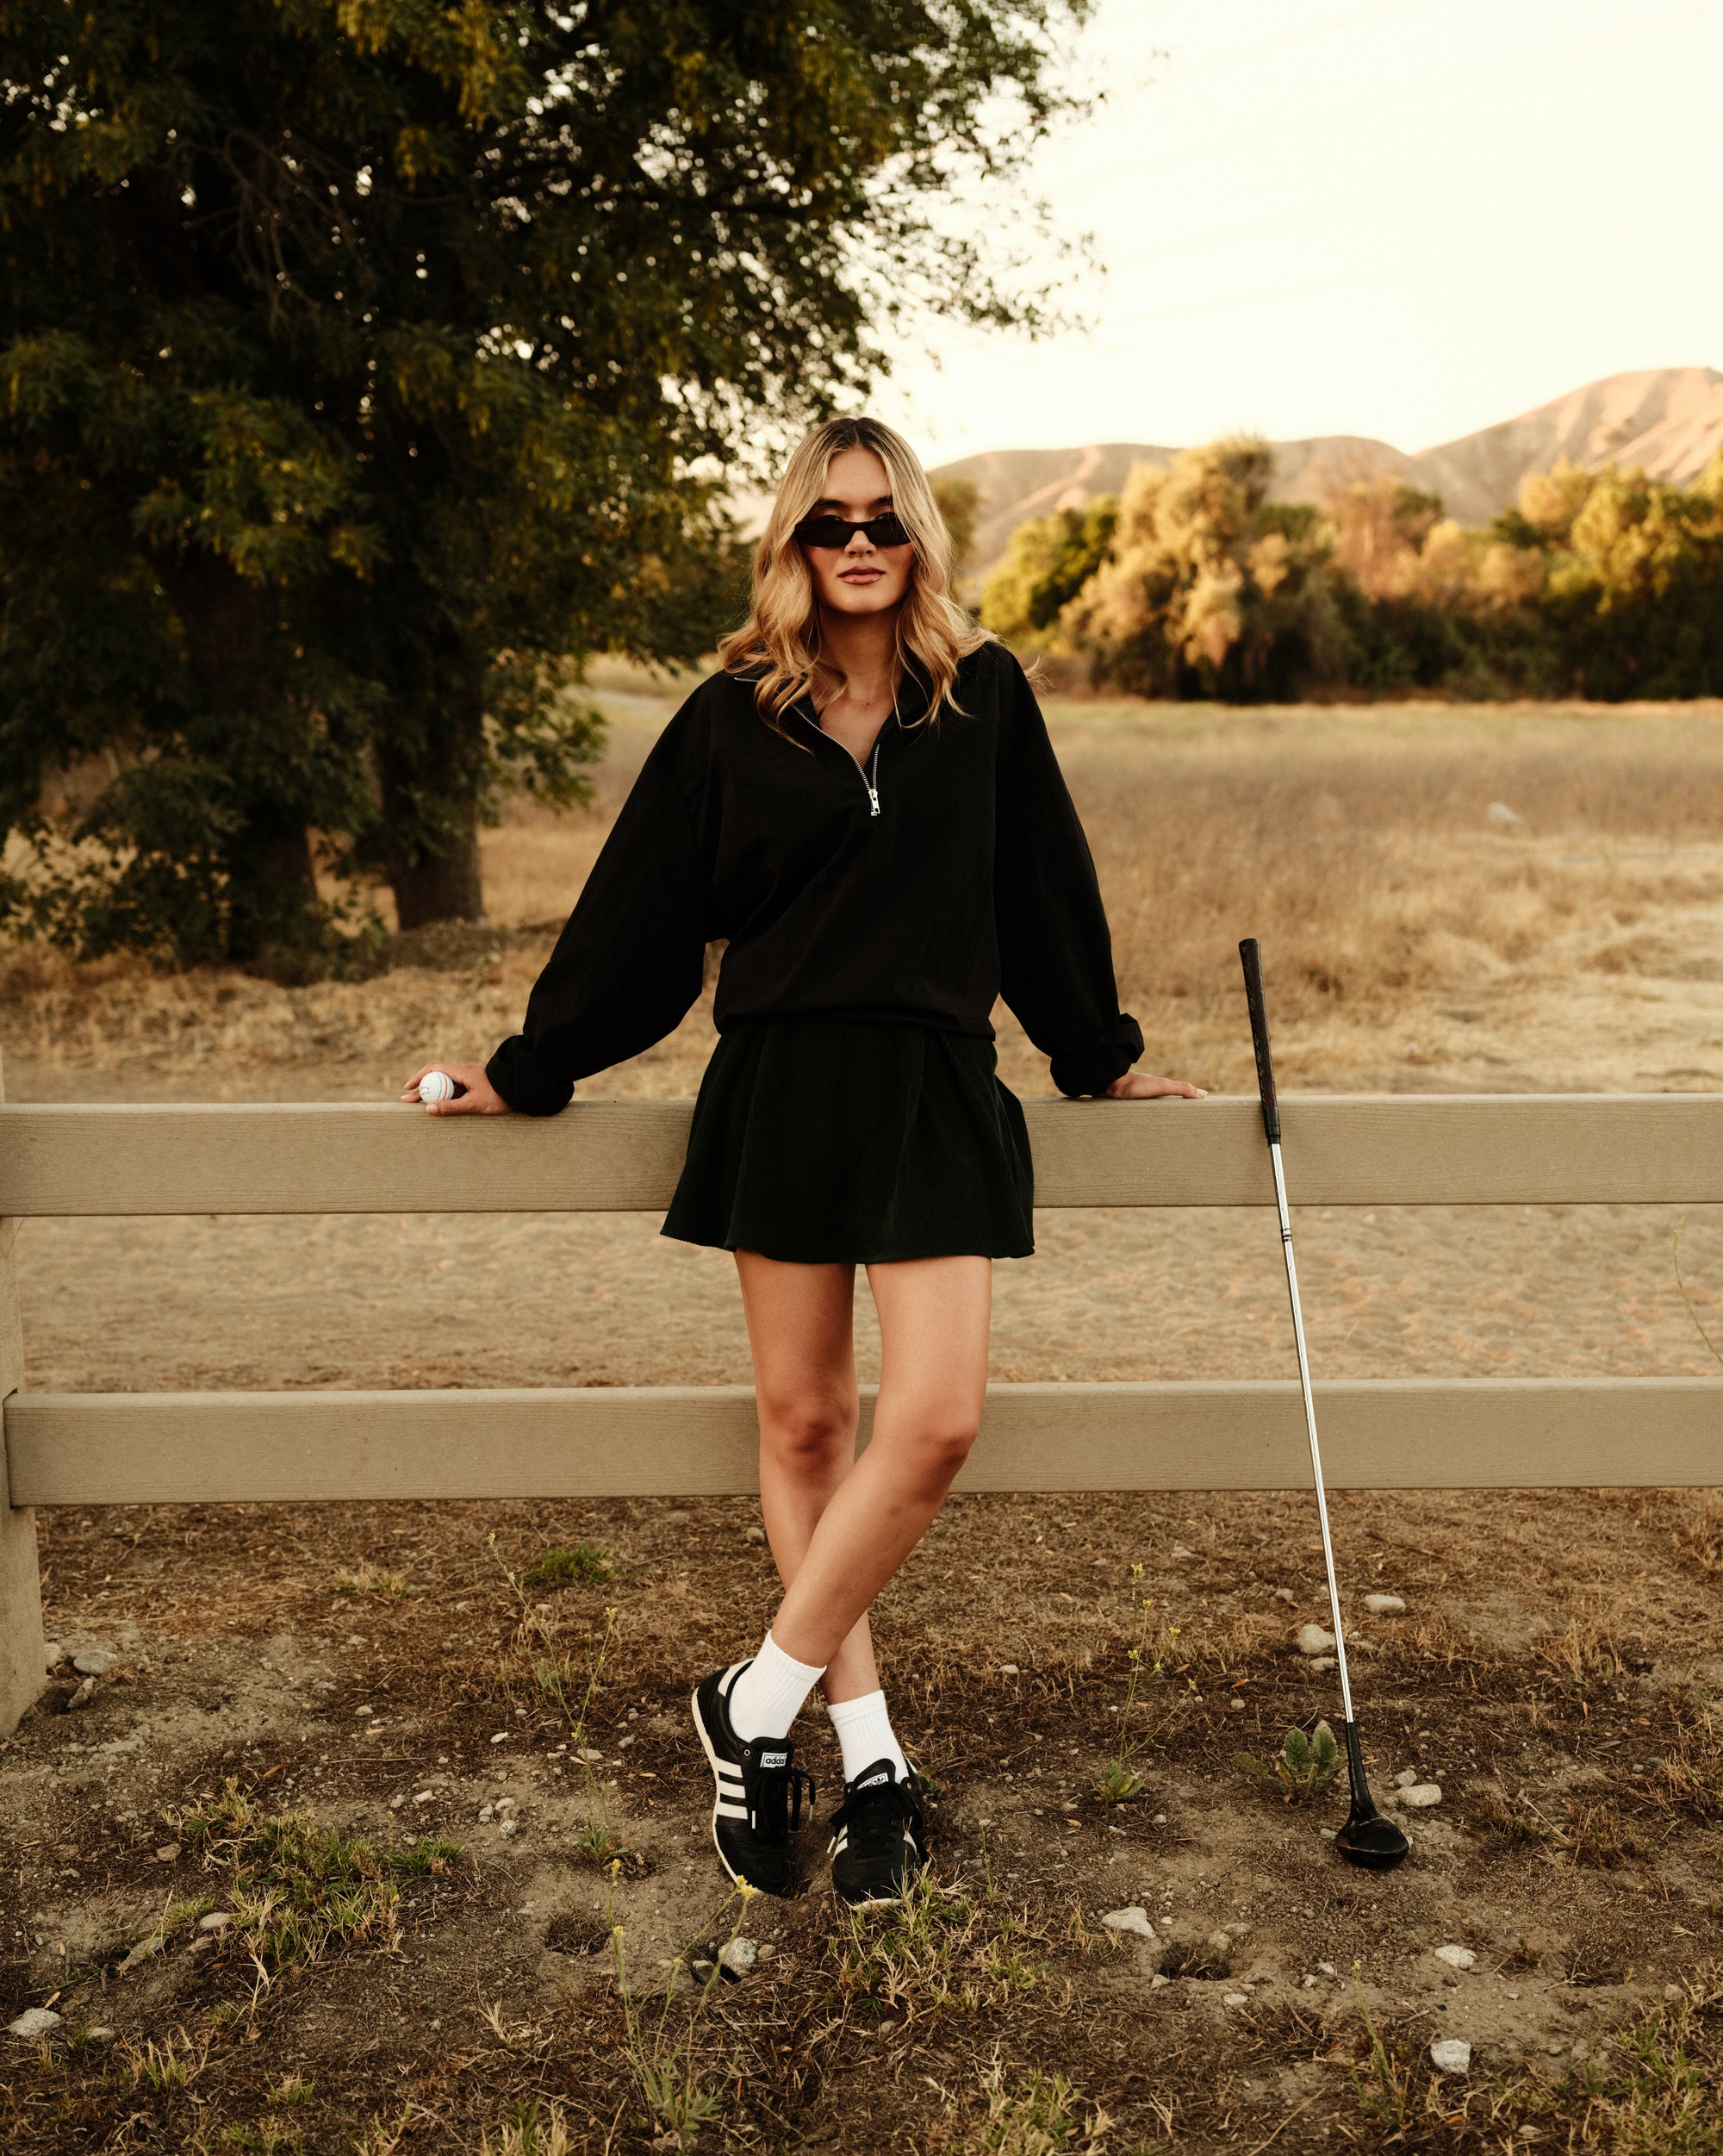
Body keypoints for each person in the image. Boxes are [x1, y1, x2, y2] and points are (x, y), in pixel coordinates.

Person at [403, 415, 1204, 1909]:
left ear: (918, 543)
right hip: (780, 1086)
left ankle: (750, 1700)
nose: (856, 543)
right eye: (829, 521)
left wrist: (1098, 1052)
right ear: (791, 540)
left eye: (882, 521)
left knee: (942, 1416)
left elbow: (1043, 890)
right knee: (807, 1425)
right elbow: (637, 916)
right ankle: (870, 1761)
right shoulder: (732, 716)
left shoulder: (987, 699)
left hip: (929, 1087)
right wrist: (526, 1068)